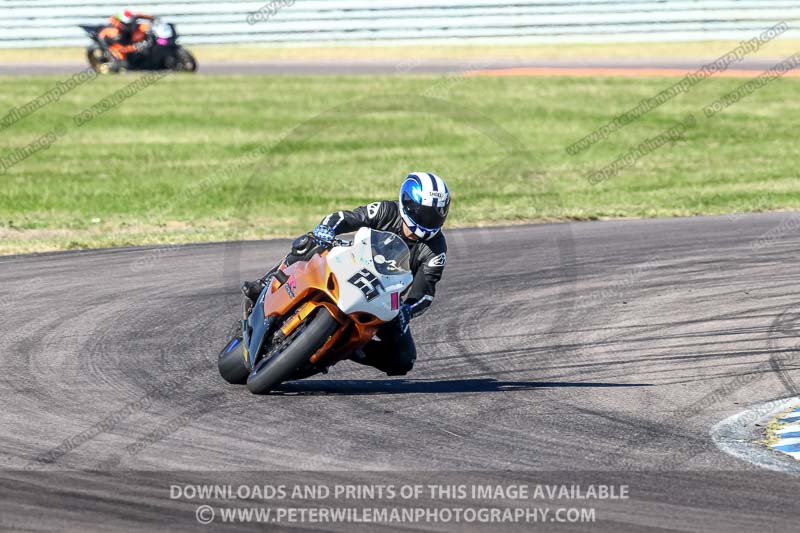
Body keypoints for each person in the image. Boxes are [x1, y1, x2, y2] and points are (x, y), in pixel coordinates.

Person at [242, 172, 450, 376]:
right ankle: (266, 282)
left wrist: (407, 310)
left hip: (382, 298)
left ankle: (347, 349)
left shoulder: (436, 250)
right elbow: (346, 218)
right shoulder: (386, 211)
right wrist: (327, 229)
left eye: (436, 214)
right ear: (408, 204)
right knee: (308, 243)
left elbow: (425, 292)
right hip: (349, 266)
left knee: (404, 359)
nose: (429, 220)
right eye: (424, 213)